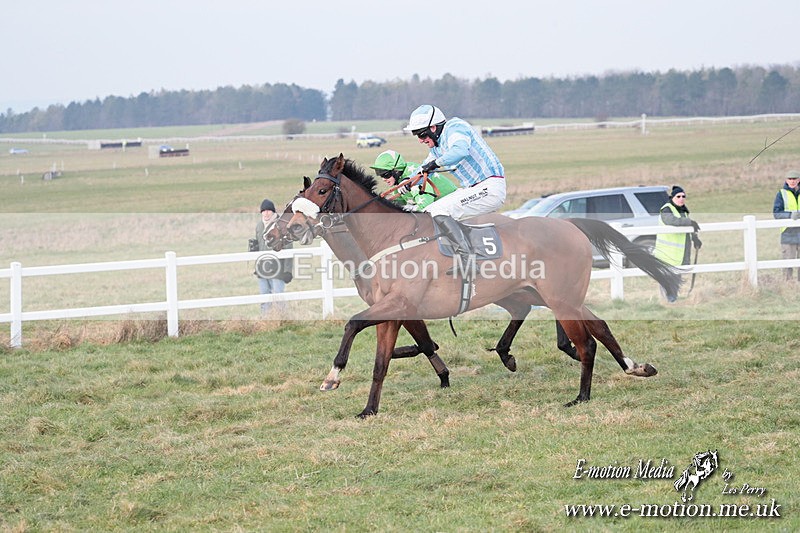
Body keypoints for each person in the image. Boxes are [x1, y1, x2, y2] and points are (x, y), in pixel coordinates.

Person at [404, 104, 506, 272]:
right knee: (429, 211)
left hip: (489, 187)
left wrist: (435, 163)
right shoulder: (437, 147)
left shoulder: (455, 127)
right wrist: (408, 182)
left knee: (438, 211)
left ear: (433, 127)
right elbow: (424, 169)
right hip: (472, 189)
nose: (420, 140)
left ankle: (468, 260)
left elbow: (460, 151)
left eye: (422, 134)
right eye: (417, 136)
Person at [653, 185, 701, 302]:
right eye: (678, 196)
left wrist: (695, 238)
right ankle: (667, 299)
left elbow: (687, 228)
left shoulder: (683, 211)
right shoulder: (666, 209)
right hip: (666, 252)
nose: (681, 199)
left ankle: (673, 299)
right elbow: (671, 221)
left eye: (683, 196)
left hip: (679, 253)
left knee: (676, 275)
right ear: (673, 197)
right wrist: (689, 222)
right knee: (667, 276)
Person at [370, 149, 457, 211]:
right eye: (380, 175)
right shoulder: (399, 181)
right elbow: (397, 204)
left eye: (386, 175)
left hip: (453, 204)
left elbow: (425, 206)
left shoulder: (412, 177)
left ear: (396, 171)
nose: (383, 179)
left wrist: (406, 209)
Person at [253, 198, 293, 315]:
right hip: (262, 268)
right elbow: (259, 245)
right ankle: (266, 319)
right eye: (263, 211)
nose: (266, 213)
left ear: (273, 212)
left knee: (278, 297)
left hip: (278, 268)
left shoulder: (280, 226)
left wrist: (288, 271)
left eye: (268, 211)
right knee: (264, 297)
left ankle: (282, 318)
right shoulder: (259, 226)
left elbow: (289, 249)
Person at [772, 169, 800, 281]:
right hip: (788, 233)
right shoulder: (781, 194)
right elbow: (776, 213)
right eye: (790, 179)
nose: (792, 181)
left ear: (799, 180)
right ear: (786, 180)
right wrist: (790, 215)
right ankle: (787, 285)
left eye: (794, 179)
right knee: (788, 262)